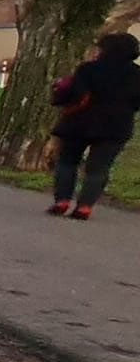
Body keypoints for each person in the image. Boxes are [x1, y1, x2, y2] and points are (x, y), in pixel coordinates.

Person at [49, 31, 140, 221]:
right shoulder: (136, 74)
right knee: (99, 168)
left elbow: (75, 94)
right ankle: (84, 206)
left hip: (80, 122)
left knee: (67, 161)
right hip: (116, 126)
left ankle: (62, 200)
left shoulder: (88, 69)